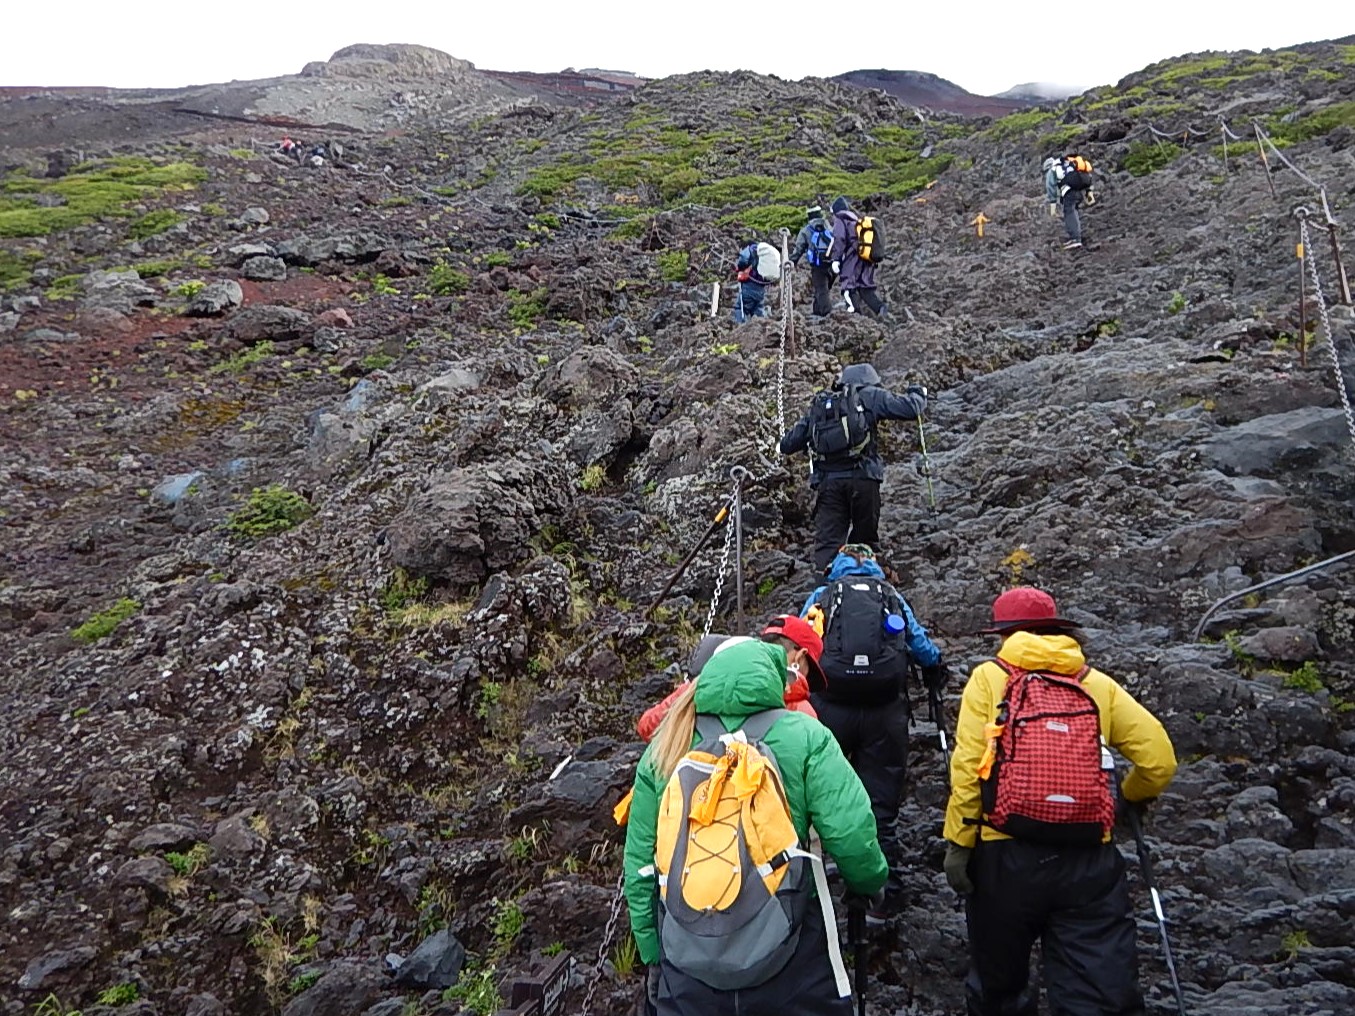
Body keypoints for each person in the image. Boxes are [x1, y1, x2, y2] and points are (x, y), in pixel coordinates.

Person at [943, 587, 1178, 1016]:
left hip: (1004, 852)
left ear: (1004, 634)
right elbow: (1158, 759)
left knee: (1001, 990)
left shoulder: (990, 678)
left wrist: (959, 844)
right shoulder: (1094, 683)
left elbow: (969, 769)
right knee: (1097, 994)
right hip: (1088, 857)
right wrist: (1124, 802)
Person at [624, 637, 888, 1016]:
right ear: (774, 679)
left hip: (686, 961)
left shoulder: (667, 744)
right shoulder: (806, 736)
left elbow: (640, 866)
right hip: (789, 951)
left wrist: (653, 952)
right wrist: (869, 883)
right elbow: (852, 835)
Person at [799, 543, 946, 914]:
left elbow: (802, 642)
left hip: (830, 708)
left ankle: (816, 895)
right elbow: (921, 645)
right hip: (884, 711)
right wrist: (935, 669)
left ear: (838, 566)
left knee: (822, 798)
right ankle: (886, 896)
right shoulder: (890, 596)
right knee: (881, 806)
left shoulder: (824, 595)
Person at [779, 363, 927, 573]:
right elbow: (911, 409)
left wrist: (777, 445)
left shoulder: (823, 403)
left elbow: (788, 444)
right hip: (864, 479)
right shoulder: (871, 395)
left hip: (828, 484)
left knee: (828, 545)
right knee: (865, 539)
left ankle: (825, 593)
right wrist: (918, 393)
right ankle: (865, 587)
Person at [635, 617, 826, 741]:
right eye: (809, 671)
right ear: (799, 657)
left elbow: (648, 727)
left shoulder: (703, 685)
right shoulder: (800, 710)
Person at [828, 197, 885, 317]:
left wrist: (836, 259)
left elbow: (840, 239)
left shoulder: (841, 219)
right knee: (864, 287)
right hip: (865, 257)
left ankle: (854, 313)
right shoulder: (856, 221)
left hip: (852, 258)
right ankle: (880, 308)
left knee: (848, 286)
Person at [790, 205, 835, 317]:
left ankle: (827, 315)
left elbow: (798, 250)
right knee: (823, 289)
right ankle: (817, 311)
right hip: (832, 263)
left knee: (821, 290)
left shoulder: (806, 230)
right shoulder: (828, 226)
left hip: (818, 266)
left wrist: (792, 262)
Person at [1044, 154, 1096, 250]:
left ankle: (1075, 239)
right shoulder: (1069, 165)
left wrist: (1053, 206)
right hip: (1079, 190)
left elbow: (1051, 187)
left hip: (1069, 192)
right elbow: (1083, 176)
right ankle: (1076, 237)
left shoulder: (1052, 170)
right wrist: (1089, 193)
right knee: (1073, 211)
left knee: (1069, 212)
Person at [732, 239, 774, 323]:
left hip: (749, 286)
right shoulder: (764, 254)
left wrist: (740, 268)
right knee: (757, 309)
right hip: (761, 289)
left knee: (740, 307)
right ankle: (762, 328)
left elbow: (743, 259)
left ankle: (741, 328)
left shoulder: (750, 249)